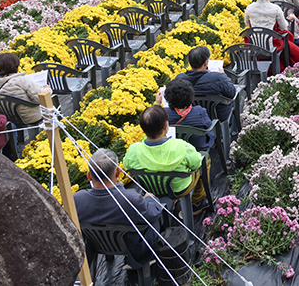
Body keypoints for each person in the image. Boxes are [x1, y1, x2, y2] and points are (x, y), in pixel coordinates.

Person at [74, 148, 163, 276]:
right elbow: (153, 213)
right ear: (118, 172)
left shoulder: (77, 199)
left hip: (95, 245)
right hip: (131, 247)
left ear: (89, 175)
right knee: (154, 218)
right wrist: (151, 199)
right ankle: (146, 261)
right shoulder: (130, 198)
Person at [123, 105, 207, 208]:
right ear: (166, 125)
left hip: (150, 189)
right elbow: (196, 164)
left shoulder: (133, 150)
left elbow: (127, 167)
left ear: (142, 129)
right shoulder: (181, 146)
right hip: (179, 189)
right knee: (205, 159)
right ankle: (197, 201)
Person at [244, 0, 299, 64]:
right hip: (272, 44)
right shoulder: (275, 8)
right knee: (286, 38)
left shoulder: (249, 7)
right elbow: (283, 26)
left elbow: (247, 24)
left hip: (254, 44)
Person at [174, 46, 237, 127]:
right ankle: (228, 130)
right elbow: (232, 93)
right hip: (218, 118)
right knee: (233, 102)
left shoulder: (180, 79)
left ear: (189, 62)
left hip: (192, 118)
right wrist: (223, 75)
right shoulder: (218, 77)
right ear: (205, 63)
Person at [0, 52, 43, 124]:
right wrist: (47, 89)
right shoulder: (21, 80)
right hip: (29, 118)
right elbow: (40, 99)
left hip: (7, 118)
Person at [162, 78, 215, 152]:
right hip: (198, 147)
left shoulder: (163, 114)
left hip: (173, 149)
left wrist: (158, 105)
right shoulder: (199, 111)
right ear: (191, 96)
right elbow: (208, 124)